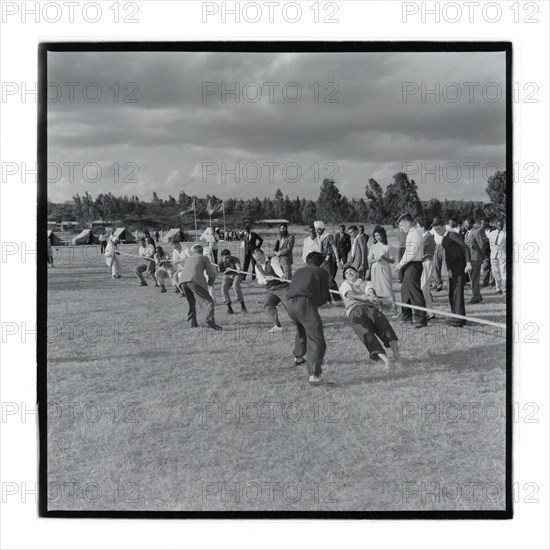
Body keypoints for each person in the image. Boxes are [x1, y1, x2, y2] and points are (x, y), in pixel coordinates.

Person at [339, 266, 401, 371]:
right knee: (367, 335)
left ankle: (397, 356)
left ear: (357, 273)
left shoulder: (367, 283)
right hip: (355, 312)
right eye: (346, 273)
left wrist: (370, 295)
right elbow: (349, 294)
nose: (349, 273)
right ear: (345, 277)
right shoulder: (344, 285)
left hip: (370, 308)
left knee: (385, 327)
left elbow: (370, 290)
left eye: (351, 271)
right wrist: (362, 297)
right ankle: (386, 361)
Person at [286, 251, 330, 385]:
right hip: (304, 303)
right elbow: (323, 297)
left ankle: (298, 357)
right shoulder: (322, 272)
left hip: (290, 304)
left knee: (301, 330)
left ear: (307, 261)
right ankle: (314, 375)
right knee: (316, 337)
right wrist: (315, 303)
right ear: (321, 262)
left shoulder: (299, 270)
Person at [431, 218, 472, 327]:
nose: (437, 231)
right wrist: (448, 269)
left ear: (444, 226)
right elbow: (448, 256)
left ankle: (460, 320)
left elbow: (465, 248)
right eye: (435, 230)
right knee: (452, 293)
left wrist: (468, 263)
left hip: (459, 265)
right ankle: (455, 316)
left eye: (438, 228)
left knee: (457, 292)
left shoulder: (452, 235)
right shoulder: (444, 238)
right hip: (452, 267)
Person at [395, 214, 427, 328]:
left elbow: (411, 252)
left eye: (401, 224)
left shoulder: (416, 233)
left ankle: (421, 319)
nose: (401, 228)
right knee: (405, 290)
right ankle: (406, 316)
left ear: (408, 223)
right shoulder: (411, 233)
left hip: (414, 264)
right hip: (409, 264)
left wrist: (400, 264)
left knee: (414, 292)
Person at [178, 244, 221, 330]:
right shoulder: (204, 258)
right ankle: (210, 320)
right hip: (193, 281)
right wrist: (210, 283)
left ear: (193, 251)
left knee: (191, 302)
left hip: (182, 282)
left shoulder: (188, 259)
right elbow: (212, 274)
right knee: (208, 301)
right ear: (202, 251)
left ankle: (192, 322)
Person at [253, 249, 291, 334]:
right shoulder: (257, 266)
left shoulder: (273, 260)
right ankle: (277, 326)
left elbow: (277, 268)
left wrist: (281, 275)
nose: (258, 260)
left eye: (259, 258)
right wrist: (265, 280)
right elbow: (259, 280)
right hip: (270, 289)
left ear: (263, 254)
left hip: (282, 287)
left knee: (290, 306)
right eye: (256, 259)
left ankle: (304, 323)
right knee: (267, 305)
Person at [367, 226, 398, 315]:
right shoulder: (373, 247)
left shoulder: (388, 246)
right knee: (377, 290)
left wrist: (384, 258)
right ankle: (381, 308)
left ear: (383, 235)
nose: (377, 237)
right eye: (375, 236)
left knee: (388, 289)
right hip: (375, 270)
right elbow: (369, 260)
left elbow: (392, 260)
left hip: (384, 270)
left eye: (378, 235)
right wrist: (376, 259)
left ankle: (394, 309)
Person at [314, 220, 341, 302]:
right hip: (320, 259)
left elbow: (334, 248)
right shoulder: (319, 237)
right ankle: (327, 299)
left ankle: (337, 299)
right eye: (316, 229)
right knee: (323, 280)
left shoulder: (328, 236)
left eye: (317, 229)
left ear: (321, 229)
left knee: (330, 279)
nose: (316, 231)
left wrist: (337, 259)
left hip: (328, 260)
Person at [218, 249, 247, 314]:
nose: (228, 259)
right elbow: (221, 273)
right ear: (222, 257)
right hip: (227, 276)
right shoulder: (220, 263)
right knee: (223, 287)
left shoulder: (235, 259)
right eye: (226, 258)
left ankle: (242, 305)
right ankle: (229, 307)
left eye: (229, 257)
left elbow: (238, 267)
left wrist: (238, 269)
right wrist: (226, 271)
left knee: (235, 285)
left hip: (237, 274)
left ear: (230, 255)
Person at [464, 218, 486, 303]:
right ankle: (478, 296)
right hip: (470, 259)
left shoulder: (477, 232)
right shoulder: (467, 233)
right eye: (464, 224)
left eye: (467, 224)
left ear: (472, 224)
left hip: (476, 259)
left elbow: (482, 245)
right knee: (473, 278)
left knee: (474, 279)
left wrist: (481, 256)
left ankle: (475, 296)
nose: (465, 226)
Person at [419, 218, 436, 316]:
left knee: (424, 288)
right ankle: (429, 312)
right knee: (425, 289)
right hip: (425, 262)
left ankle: (428, 312)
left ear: (423, 227)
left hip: (427, 262)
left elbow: (420, 253)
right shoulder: (425, 236)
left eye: (418, 226)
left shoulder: (426, 237)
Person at [488, 218, 506, 295]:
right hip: (493, 255)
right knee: (495, 272)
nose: (500, 227)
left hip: (502, 255)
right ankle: (498, 288)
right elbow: (490, 245)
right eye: (498, 225)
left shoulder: (505, 234)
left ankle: (504, 289)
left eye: (501, 225)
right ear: (496, 225)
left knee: (503, 273)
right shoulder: (491, 234)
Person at [479, 218, 494, 287]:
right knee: (485, 267)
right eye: (481, 223)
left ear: (487, 223)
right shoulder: (480, 231)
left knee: (494, 268)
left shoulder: (494, 229)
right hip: (486, 252)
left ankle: (494, 283)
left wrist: (488, 240)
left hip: (494, 251)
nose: (481, 225)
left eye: (483, 223)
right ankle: (485, 283)